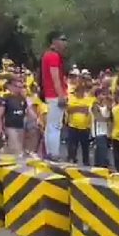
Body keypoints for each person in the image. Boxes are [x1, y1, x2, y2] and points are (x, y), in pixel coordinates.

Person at [40, 31, 68, 161]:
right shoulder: (53, 56)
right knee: (55, 126)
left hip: (50, 95)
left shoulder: (47, 54)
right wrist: (61, 95)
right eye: (62, 39)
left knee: (50, 126)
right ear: (54, 41)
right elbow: (55, 77)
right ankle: (54, 154)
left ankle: (49, 153)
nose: (64, 42)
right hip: (55, 95)